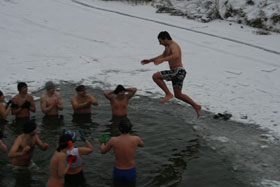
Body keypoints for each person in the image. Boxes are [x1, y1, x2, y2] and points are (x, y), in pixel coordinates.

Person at [141, 31, 201, 118]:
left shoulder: (174, 46)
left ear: (165, 39)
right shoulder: (167, 48)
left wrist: (163, 60)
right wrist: (149, 60)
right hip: (179, 72)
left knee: (156, 76)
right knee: (178, 95)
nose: (159, 43)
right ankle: (196, 106)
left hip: (178, 71)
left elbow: (176, 55)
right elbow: (162, 56)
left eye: (160, 41)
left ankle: (168, 94)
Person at [100, 118, 144, 187]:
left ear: (119, 128)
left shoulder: (113, 140)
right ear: (131, 128)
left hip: (118, 171)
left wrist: (102, 143)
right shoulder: (136, 139)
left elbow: (103, 151)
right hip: (130, 171)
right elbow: (142, 145)